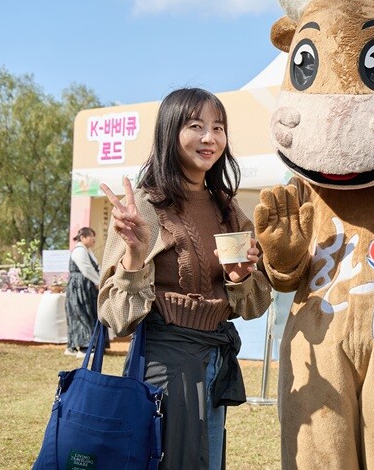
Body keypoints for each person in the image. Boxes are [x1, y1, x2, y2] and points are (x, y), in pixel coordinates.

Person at [97, 88, 273, 470]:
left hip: (215, 360)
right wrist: (134, 254)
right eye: (196, 126)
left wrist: (241, 277)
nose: (209, 138)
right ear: (170, 132)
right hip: (164, 365)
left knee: (207, 462)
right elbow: (115, 316)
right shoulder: (144, 205)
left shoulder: (228, 209)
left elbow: (255, 304)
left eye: (218, 127)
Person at [64, 227, 101, 358]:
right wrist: (98, 282)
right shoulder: (79, 251)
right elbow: (86, 269)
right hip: (79, 286)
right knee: (81, 312)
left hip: (86, 285)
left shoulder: (87, 251)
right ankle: (84, 347)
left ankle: (73, 346)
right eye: (91, 236)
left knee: (85, 312)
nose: (94, 239)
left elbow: (95, 268)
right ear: (83, 237)